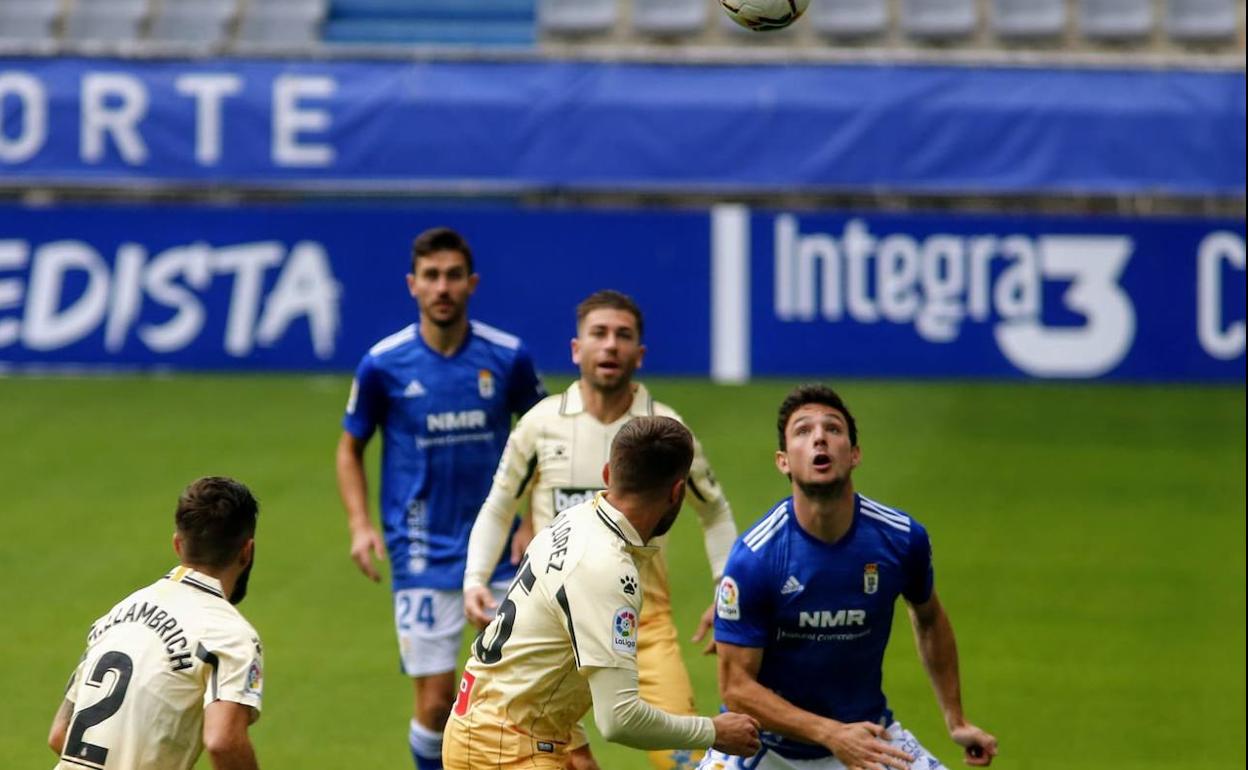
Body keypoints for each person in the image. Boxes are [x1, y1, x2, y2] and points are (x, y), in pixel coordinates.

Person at [463, 289, 739, 770]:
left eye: (623, 336)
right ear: (577, 349)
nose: (610, 346)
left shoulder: (666, 431)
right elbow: (499, 504)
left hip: (641, 623)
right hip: (553, 635)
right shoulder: (540, 425)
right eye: (599, 334)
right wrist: (474, 579)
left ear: (640, 354)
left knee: (687, 761)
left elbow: (714, 511)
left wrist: (726, 590)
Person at [698, 384, 999, 770]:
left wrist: (956, 719)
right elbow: (736, 688)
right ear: (783, 461)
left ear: (854, 454)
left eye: (833, 429)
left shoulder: (901, 538)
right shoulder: (755, 557)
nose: (820, 437)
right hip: (763, 748)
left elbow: (929, 618)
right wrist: (831, 733)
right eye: (803, 431)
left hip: (868, 738)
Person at [335, 226, 547, 770]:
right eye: (431, 276)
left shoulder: (507, 357)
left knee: (513, 695)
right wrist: (361, 525)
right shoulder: (384, 364)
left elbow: (545, 437)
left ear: (472, 283)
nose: (443, 287)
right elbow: (349, 449)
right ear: (413, 285)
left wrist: (530, 521)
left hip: (503, 550)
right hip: (421, 549)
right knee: (434, 704)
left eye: (453, 275)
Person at [444, 416, 761, 769]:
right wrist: (714, 731)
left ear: (608, 474)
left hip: (486, 728)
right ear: (677, 493)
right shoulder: (607, 569)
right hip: (509, 749)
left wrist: (572, 739)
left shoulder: (573, 519)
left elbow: (544, 646)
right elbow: (619, 719)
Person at [47, 476, 264, 770]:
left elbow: (61, 734)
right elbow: (222, 742)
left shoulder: (117, 615)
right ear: (247, 550)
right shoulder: (229, 635)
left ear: (177, 544)